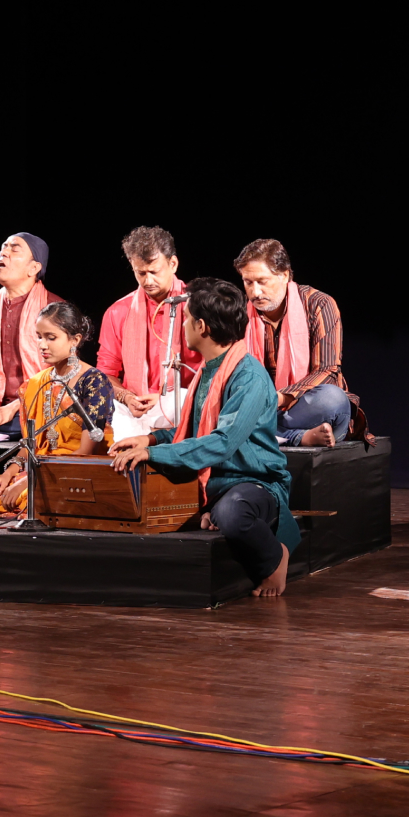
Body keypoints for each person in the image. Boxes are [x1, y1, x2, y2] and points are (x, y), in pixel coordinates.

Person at [110, 278, 300, 597]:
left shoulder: (248, 377)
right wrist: (151, 441)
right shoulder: (210, 369)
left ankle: (276, 559)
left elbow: (222, 441)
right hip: (216, 480)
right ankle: (211, 509)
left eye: (185, 319)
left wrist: (154, 455)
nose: (183, 325)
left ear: (201, 327)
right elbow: (198, 428)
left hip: (254, 481)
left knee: (233, 515)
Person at [0, 302, 115, 517]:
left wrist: (26, 481)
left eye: (51, 337)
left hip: (74, 475)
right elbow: (29, 446)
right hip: (38, 472)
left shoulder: (94, 383)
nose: (42, 344)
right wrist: (10, 474)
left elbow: (84, 454)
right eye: (39, 336)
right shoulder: (36, 384)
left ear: (75, 340)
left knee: (35, 496)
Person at [233, 239, 356, 448]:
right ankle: (298, 437)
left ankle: (257, 432)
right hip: (260, 409)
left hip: (303, 408)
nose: (254, 292)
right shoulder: (240, 314)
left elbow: (327, 371)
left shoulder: (319, 304)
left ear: (285, 275)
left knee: (332, 399)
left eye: (262, 281)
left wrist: (279, 399)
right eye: (248, 282)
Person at [98, 225, 200, 425]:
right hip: (134, 413)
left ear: (173, 264)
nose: (148, 280)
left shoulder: (199, 307)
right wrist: (126, 397)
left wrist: (169, 400)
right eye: (141, 273)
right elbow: (106, 373)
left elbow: (218, 370)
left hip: (189, 410)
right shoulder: (118, 312)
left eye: (154, 271)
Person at [0, 232, 66, 433]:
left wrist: (15, 406)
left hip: (42, 409)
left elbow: (64, 373)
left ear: (34, 268)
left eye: (14, 249)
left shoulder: (55, 309)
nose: (3, 253)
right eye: (3, 247)